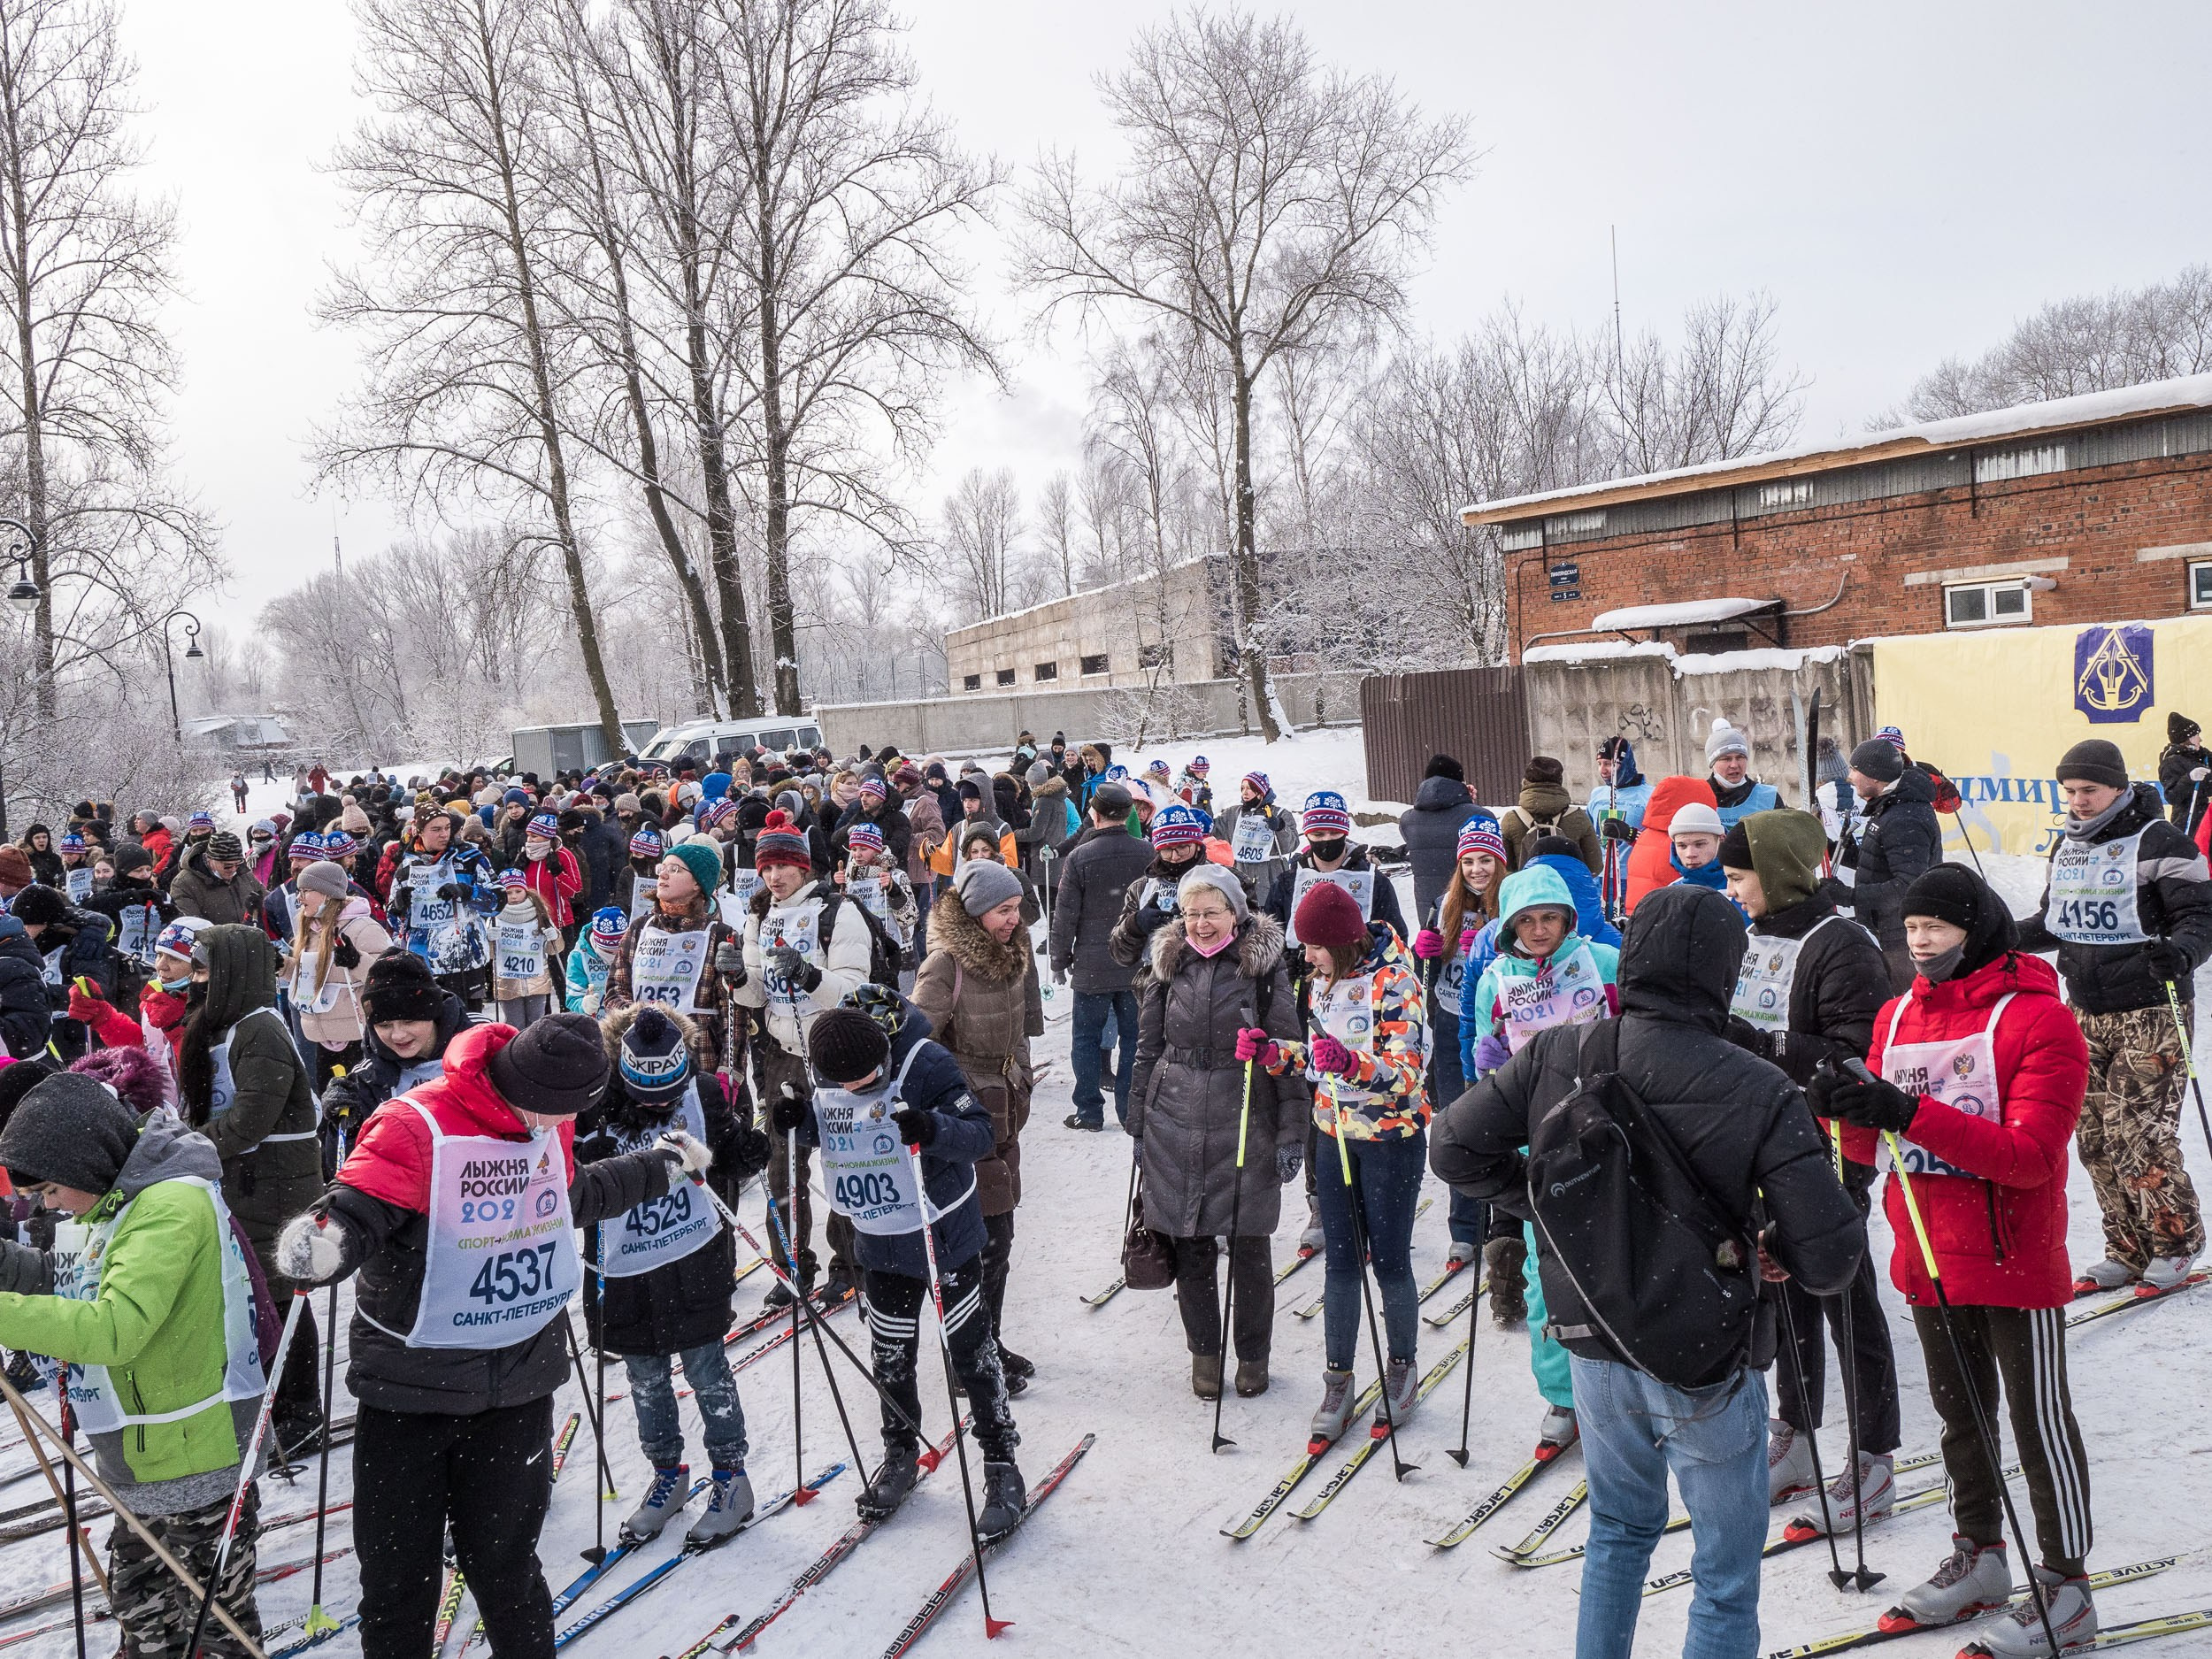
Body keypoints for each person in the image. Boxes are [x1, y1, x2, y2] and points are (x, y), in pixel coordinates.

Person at [1433, 882, 1865, 1659]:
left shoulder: (1561, 1051)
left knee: (1619, 1535)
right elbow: (1832, 1257)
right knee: (1725, 1575)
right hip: (1704, 1353)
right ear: (1724, 972)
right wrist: (1771, 1244)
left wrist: (1550, 1207)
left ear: (1630, 959)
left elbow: (1453, 1147)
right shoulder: (1758, 1084)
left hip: (1596, 1339)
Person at [274, 1014, 687, 1659]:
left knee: (509, 1572)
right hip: (411, 1393)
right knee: (399, 1583)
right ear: (512, 1080)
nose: (549, 1126)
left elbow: (570, 1195)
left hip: (517, 1389)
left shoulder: (549, 1117)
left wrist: (660, 1167)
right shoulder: (417, 1123)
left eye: (563, 1116)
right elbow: (358, 1206)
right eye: (544, 1111)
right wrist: (328, 1242)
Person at [1813, 865, 2098, 1655]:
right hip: (1928, 1253)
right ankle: (1981, 1553)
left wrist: (1908, 1110)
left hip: (2012, 1258)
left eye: (1934, 929)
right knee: (1960, 1420)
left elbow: (2031, 1156)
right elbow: (1873, 1141)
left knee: (2039, 1421)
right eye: (1910, 932)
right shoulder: (1899, 1013)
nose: (1921, 944)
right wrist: (1837, 1107)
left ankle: (2068, 1582)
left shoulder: (2039, 1020)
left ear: (1976, 929)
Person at [0, 1071, 279, 1659]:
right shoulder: (115, 1201)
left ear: (85, 1161)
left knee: (215, 1619)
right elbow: (70, 1278)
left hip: (199, 1456)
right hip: (148, 1454)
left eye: (50, 1190)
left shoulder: (168, 1207)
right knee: (142, 1606)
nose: (48, 1207)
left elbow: (113, 1327)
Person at [778, 1002, 1028, 1540]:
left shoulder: (928, 1062)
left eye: (869, 1077)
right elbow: (838, 1134)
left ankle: (1002, 1465)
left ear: (884, 1053)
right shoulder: (824, 1074)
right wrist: (797, 1125)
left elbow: (980, 1134)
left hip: (942, 1234)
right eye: (847, 1081)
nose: (861, 1087)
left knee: (970, 1355)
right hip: (878, 1238)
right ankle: (899, 1452)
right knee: (890, 1355)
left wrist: (932, 1127)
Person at [1719, 810, 1901, 1519]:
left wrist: (1763, 1046)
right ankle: (1795, 1431)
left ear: (1780, 871)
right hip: (1760, 1134)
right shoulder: (1754, 934)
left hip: (1828, 1141)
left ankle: (1874, 1454)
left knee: (1843, 1293)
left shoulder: (1843, 943)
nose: (1734, 892)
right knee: (1780, 1283)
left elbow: (1856, 1054)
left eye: (1741, 878)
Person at [2013, 738, 2212, 1294]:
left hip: (2151, 1009)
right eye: (2070, 791)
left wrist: (2182, 950)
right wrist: (2001, 938)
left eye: (2089, 791)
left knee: (2139, 1135)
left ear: (2120, 788)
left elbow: (2201, 914)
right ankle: (2127, 1246)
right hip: (2085, 1010)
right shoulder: (2069, 846)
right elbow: (2058, 921)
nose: (2078, 801)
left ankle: (2177, 1242)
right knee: (2094, 1135)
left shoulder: (2162, 842)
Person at [579, 1008, 771, 1547]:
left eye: (671, 1092)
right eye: (649, 1095)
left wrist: (751, 1150)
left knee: (707, 1369)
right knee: (645, 1376)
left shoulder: (705, 1091)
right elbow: (564, 1177)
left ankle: (732, 1479)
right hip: (623, 1266)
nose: (663, 1103)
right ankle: (669, 1473)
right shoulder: (592, 1101)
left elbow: (728, 1155)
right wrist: (582, 1157)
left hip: (692, 1255)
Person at [1246, 879, 1429, 1436]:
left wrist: (1354, 1066)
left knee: (1391, 1260)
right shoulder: (1321, 980)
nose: (1306, 957)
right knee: (1341, 1262)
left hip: (1389, 1138)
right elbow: (1319, 1058)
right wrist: (1278, 1054)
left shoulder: (1395, 981)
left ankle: (1401, 1366)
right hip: (1335, 1134)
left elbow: (1407, 1073)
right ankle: (1339, 1376)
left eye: (1314, 946)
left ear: (1343, 941)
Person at [1130, 865, 1306, 1398]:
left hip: (1245, 1114)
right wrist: (1138, 1119)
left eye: (1211, 913)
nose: (1200, 925)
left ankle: (1253, 1355)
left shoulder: (1263, 970)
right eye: (1191, 914)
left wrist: (1292, 1131)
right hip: (1174, 1119)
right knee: (1191, 1246)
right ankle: (1204, 1354)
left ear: (1235, 913)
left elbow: (1290, 1054)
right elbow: (1146, 1048)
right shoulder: (1167, 963)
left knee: (1250, 1245)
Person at [1464, 863, 1622, 1453]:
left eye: (1548, 917)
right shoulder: (1494, 980)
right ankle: (1561, 1392)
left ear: (1566, 918)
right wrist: (1487, 1065)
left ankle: (1627, 1377)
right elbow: (1485, 1076)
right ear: (1508, 926)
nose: (1538, 930)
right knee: (1544, 1272)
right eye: (1526, 920)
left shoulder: (1602, 962)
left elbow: (1639, 1035)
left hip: (1607, 1131)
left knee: (1614, 1258)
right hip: (1539, 1142)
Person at [178, 923, 326, 1455]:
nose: (196, 982)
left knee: (283, 1296)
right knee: (257, 1296)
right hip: (245, 1180)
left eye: (204, 971)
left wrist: (186, 1146)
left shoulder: (260, 1028)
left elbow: (248, 1121)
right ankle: (273, 1400)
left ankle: (301, 1410)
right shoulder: (226, 1025)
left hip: (275, 1183)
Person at [911, 856, 1043, 1392]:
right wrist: (951, 1096)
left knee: (1000, 1237)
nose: (1014, 919)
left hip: (1005, 1110)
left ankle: (986, 1339)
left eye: (1016, 908)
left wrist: (1023, 1075)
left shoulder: (1015, 949)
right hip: (964, 1118)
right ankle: (966, 1360)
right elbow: (916, 1039)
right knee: (975, 1242)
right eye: (1003, 911)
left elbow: (1023, 1026)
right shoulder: (947, 964)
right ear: (973, 911)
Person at [732, 810, 866, 1304]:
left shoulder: (838, 911)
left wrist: (809, 976)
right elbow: (752, 997)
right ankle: (792, 1264)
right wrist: (735, 978)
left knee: (842, 1161)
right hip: (782, 1055)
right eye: (766, 867)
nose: (774, 877)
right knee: (783, 1166)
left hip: (833, 1053)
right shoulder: (759, 915)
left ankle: (849, 1261)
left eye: (784, 867)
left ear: (804, 867)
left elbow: (856, 991)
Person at [1417, 815, 1502, 1273]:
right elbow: (1424, 971)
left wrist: (1491, 946)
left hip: (1496, 1029)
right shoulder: (1443, 903)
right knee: (1455, 1124)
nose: (1477, 869)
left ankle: (1501, 1227)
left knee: (1497, 1127)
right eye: (1468, 861)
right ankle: (1464, 1229)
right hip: (1451, 1024)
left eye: (1485, 859)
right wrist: (1425, 949)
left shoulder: (1509, 904)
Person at [1049, 780, 1151, 1133]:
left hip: (1092, 966)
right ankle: (1128, 1109)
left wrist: (1059, 958)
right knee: (1134, 1040)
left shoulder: (1080, 857)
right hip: (1135, 963)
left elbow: (1066, 915)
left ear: (1094, 813)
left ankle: (1089, 1110)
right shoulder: (1146, 852)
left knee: (1086, 1039)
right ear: (1127, 814)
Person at [318, 950, 480, 1152]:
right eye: (384, 1025)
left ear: (432, 1013)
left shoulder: (478, 1043)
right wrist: (342, 1126)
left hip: (477, 1172)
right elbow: (347, 1166)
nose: (398, 1035)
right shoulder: (369, 1076)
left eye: (409, 1021)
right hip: (407, 1176)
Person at [1842, 736, 1943, 993]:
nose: (1850, 777)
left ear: (1875, 776)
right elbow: (1880, 862)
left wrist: (1851, 896)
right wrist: (1837, 849)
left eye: (1855, 770)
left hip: (1901, 938)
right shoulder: (1893, 806)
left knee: (1903, 1010)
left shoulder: (1903, 817)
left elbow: (1908, 885)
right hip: (1888, 931)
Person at [289, 859, 396, 1093]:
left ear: (327, 894)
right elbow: (310, 973)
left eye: (306, 891)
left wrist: (356, 960)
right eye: (299, 891)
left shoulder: (362, 928)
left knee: (359, 1105)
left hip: (356, 1037)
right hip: (323, 1036)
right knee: (332, 1107)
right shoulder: (311, 930)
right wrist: (284, 966)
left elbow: (388, 975)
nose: (300, 898)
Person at [388, 809, 500, 1009]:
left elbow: (498, 902)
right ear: (420, 832)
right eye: (436, 829)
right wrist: (399, 906)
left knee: (468, 1029)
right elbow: (393, 921)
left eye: (447, 828)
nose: (444, 834)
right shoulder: (407, 866)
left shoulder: (470, 858)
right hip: (425, 964)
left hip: (465, 959)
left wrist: (468, 892)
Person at [6, 884, 121, 1064]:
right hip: (48, 1037)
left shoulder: (80, 945)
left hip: (78, 1038)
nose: (22, 931)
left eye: (26, 924)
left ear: (44, 923)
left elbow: (93, 991)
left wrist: (34, 993)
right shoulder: (31, 946)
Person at [1107, 802, 1213, 972]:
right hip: (1155, 986)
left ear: (1197, 845)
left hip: (1208, 983)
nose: (1175, 856)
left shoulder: (1224, 880)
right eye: (1167, 850)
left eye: (1183, 847)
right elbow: (1119, 954)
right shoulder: (1142, 887)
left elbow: (1248, 936)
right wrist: (1136, 925)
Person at [1398, 754, 1484, 924]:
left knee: (1432, 946)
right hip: (1471, 909)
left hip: (1428, 911)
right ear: (1460, 782)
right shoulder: (1478, 816)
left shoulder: (1407, 820)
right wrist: (1468, 805)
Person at [489, 867, 563, 1028]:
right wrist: (489, 939)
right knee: (515, 1025)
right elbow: (490, 955)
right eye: (508, 893)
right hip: (508, 981)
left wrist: (554, 937)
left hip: (536, 980)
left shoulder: (539, 913)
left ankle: (535, 1053)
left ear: (526, 890)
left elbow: (554, 950)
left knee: (536, 1024)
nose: (514, 896)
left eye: (518, 891)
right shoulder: (494, 916)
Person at [1500, 757, 1601, 873]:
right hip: (1567, 889)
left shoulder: (1511, 819)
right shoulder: (1578, 817)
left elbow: (1504, 869)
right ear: (1560, 782)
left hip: (1526, 890)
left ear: (1525, 783)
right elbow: (1595, 867)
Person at [1216, 771, 1297, 912]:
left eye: (1250, 788)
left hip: (1270, 875)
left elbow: (1291, 845)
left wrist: (1280, 827)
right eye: (1242, 788)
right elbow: (1213, 831)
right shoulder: (1233, 813)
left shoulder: (1280, 814)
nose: (1244, 792)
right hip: (1240, 874)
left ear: (1260, 792)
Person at [170, 830, 268, 928]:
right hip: (214, 942)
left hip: (252, 939)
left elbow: (270, 901)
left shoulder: (243, 874)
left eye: (238, 864)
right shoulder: (184, 884)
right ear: (209, 859)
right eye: (227, 866)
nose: (233, 869)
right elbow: (192, 926)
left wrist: (259, 910)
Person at [1706, 717, 1781, 827]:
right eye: (1726, 759)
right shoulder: (1698, 797)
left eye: (1740, 757)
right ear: (1712, 764)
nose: (1734, 765)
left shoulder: (1768, 797)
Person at [565, 906, 628, 1016]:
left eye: (619, 950)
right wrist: (583, 1005)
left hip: (627, 1024)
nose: (614, 955)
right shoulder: (579, 957)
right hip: (596, 1027)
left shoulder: (634, 950)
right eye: (607, 951)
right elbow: (572, 999)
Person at [2157, 710, 2209, 836]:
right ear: (2187, 739)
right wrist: (2190, 778)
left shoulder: (2201, 755)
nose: (2200, 739)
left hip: (2205, 815)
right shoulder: (2171, 761)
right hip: (2187, 818)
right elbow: (2172, 796)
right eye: (2196, 735)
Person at [1665, 800, 1731, 893]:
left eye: (1699, 844)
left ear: (1721, 839)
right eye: (1682, 846)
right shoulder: (1671, 892)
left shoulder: (1745, 888)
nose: (1690, 854)